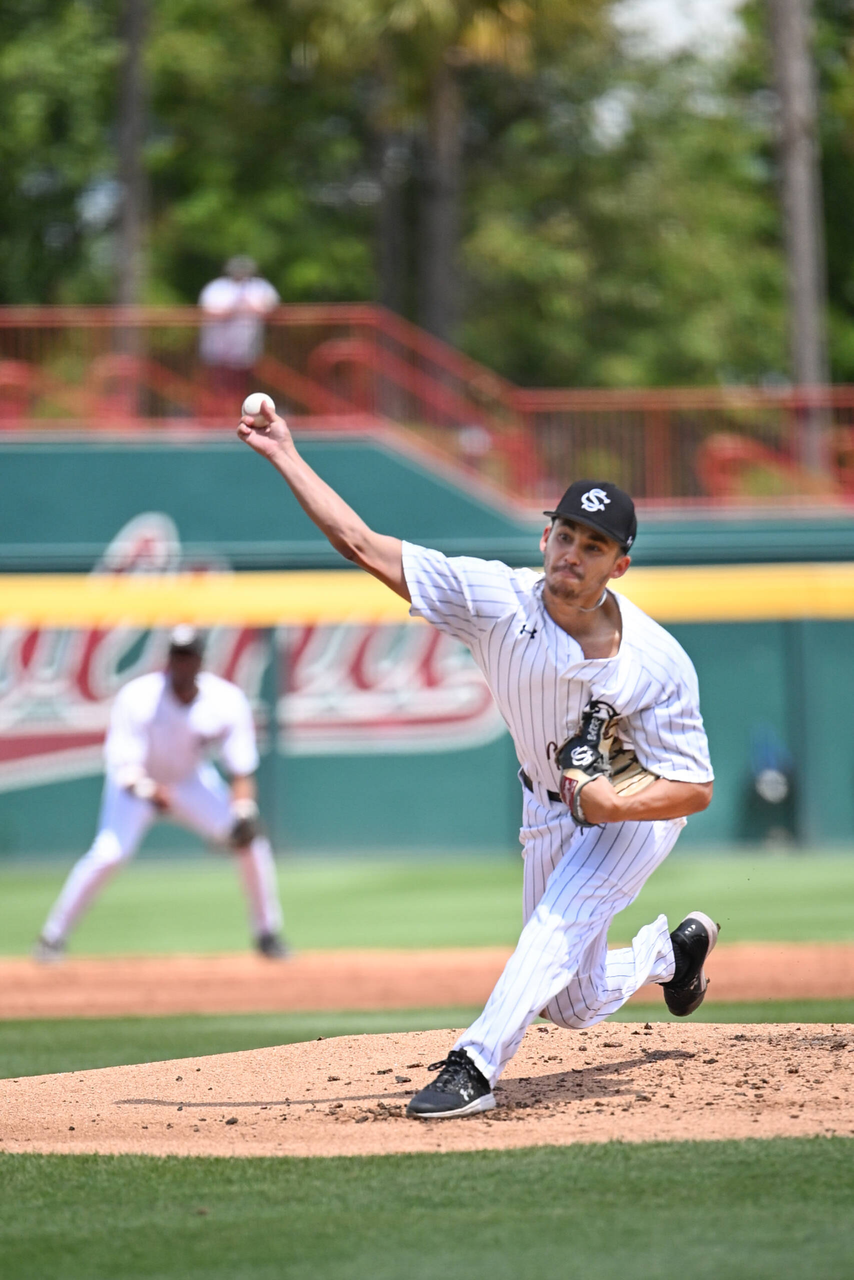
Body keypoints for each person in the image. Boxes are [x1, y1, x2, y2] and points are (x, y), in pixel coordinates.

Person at [237, 404, 716, 1119]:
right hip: (546, 806)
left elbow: (695, 787)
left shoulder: (657, 661)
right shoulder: (496, 600)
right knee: (573, 1003)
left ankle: (474, 1066)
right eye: (565, 534)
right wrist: (284, 454)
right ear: (545, 536)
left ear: (619, 566)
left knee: (554, 925)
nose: (572, 553)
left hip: (633, 811)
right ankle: (671, 957)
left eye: (593, 546)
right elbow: (362, 544)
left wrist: (615, 804)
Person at [34, 626, 287, 961]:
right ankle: (52, 937)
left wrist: (243, 812)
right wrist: (150, 791)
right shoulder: (139, 697)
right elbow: (125, 770)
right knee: (109, 854)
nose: (182, 663)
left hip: (190, 782)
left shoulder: (226, 701)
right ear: (168, 659)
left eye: (188, 656)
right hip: (138, 786)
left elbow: (241, 770)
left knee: (252, 844)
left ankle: (268, 934)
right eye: (177, 656)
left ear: (201, 661)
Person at [198, 256, 279, 403]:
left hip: (247, 346)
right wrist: (232, 310)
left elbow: (270, 310)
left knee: (244, 382)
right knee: (219, 382)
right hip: (219, 346)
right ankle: (222, 409)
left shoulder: (259, 287)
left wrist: (249, 307)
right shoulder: (217, 287)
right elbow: (208, 311)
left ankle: (239, 407)